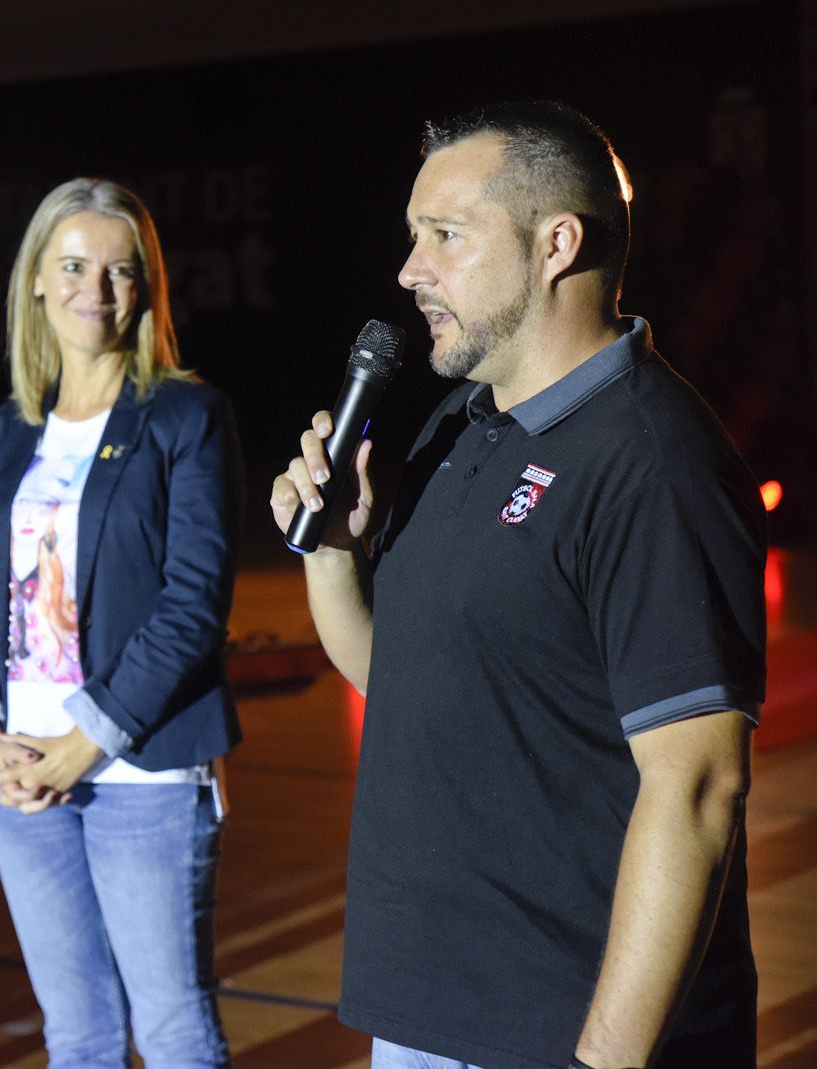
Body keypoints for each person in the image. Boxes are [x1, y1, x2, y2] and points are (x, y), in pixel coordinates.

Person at [270, 102, 764, 1069]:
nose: (411, 271)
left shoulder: (651, 463)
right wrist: (331, 550)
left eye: (445, 236)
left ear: (556, 244)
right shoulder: (460, 425)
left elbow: (699, 786)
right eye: (414, 238)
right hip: (430, 1017)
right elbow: (404, 681)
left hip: (559, 1033)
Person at [0, 178, 244, 1067]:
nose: (94, 290)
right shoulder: (9, 431)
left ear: (146, 287)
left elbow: (194, 605)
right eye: (73, 266)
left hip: (140, 773)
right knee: (75, 1037)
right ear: (37, 279)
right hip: (22, 778)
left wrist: (82, 741)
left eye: (119, 271)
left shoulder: (186, 415)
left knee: (175, 1030)